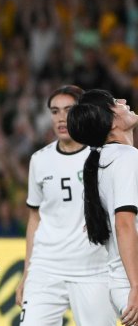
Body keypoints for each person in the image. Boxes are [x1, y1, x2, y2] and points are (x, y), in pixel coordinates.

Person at [15, 85, 116, 325]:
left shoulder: (103, 156)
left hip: (93, 270)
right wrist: (26, 274)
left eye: (69, 110)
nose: (61, 118)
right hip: (46, 268)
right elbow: (34, 218)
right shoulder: (39, 160)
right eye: (55, 111)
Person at [67, 89, 138, 326]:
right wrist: (136, 287)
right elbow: (124, 224)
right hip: (132, 284)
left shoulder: (101, 162)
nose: (124, 102)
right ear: (110, 121)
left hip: (120, 282)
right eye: (115, 103)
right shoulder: (127, 158)